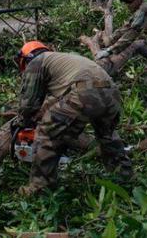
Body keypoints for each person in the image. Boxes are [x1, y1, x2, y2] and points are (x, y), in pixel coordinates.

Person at [14, 41, 133, 196]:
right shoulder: (63, 59)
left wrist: (22, 122)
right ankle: (125, 177)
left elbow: (29, 103)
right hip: (112, 93)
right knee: (107, 136)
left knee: (46, 134)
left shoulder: (36, 62)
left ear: (25, 57)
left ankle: (39, 188)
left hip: (85, 93)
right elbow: (59, 95)